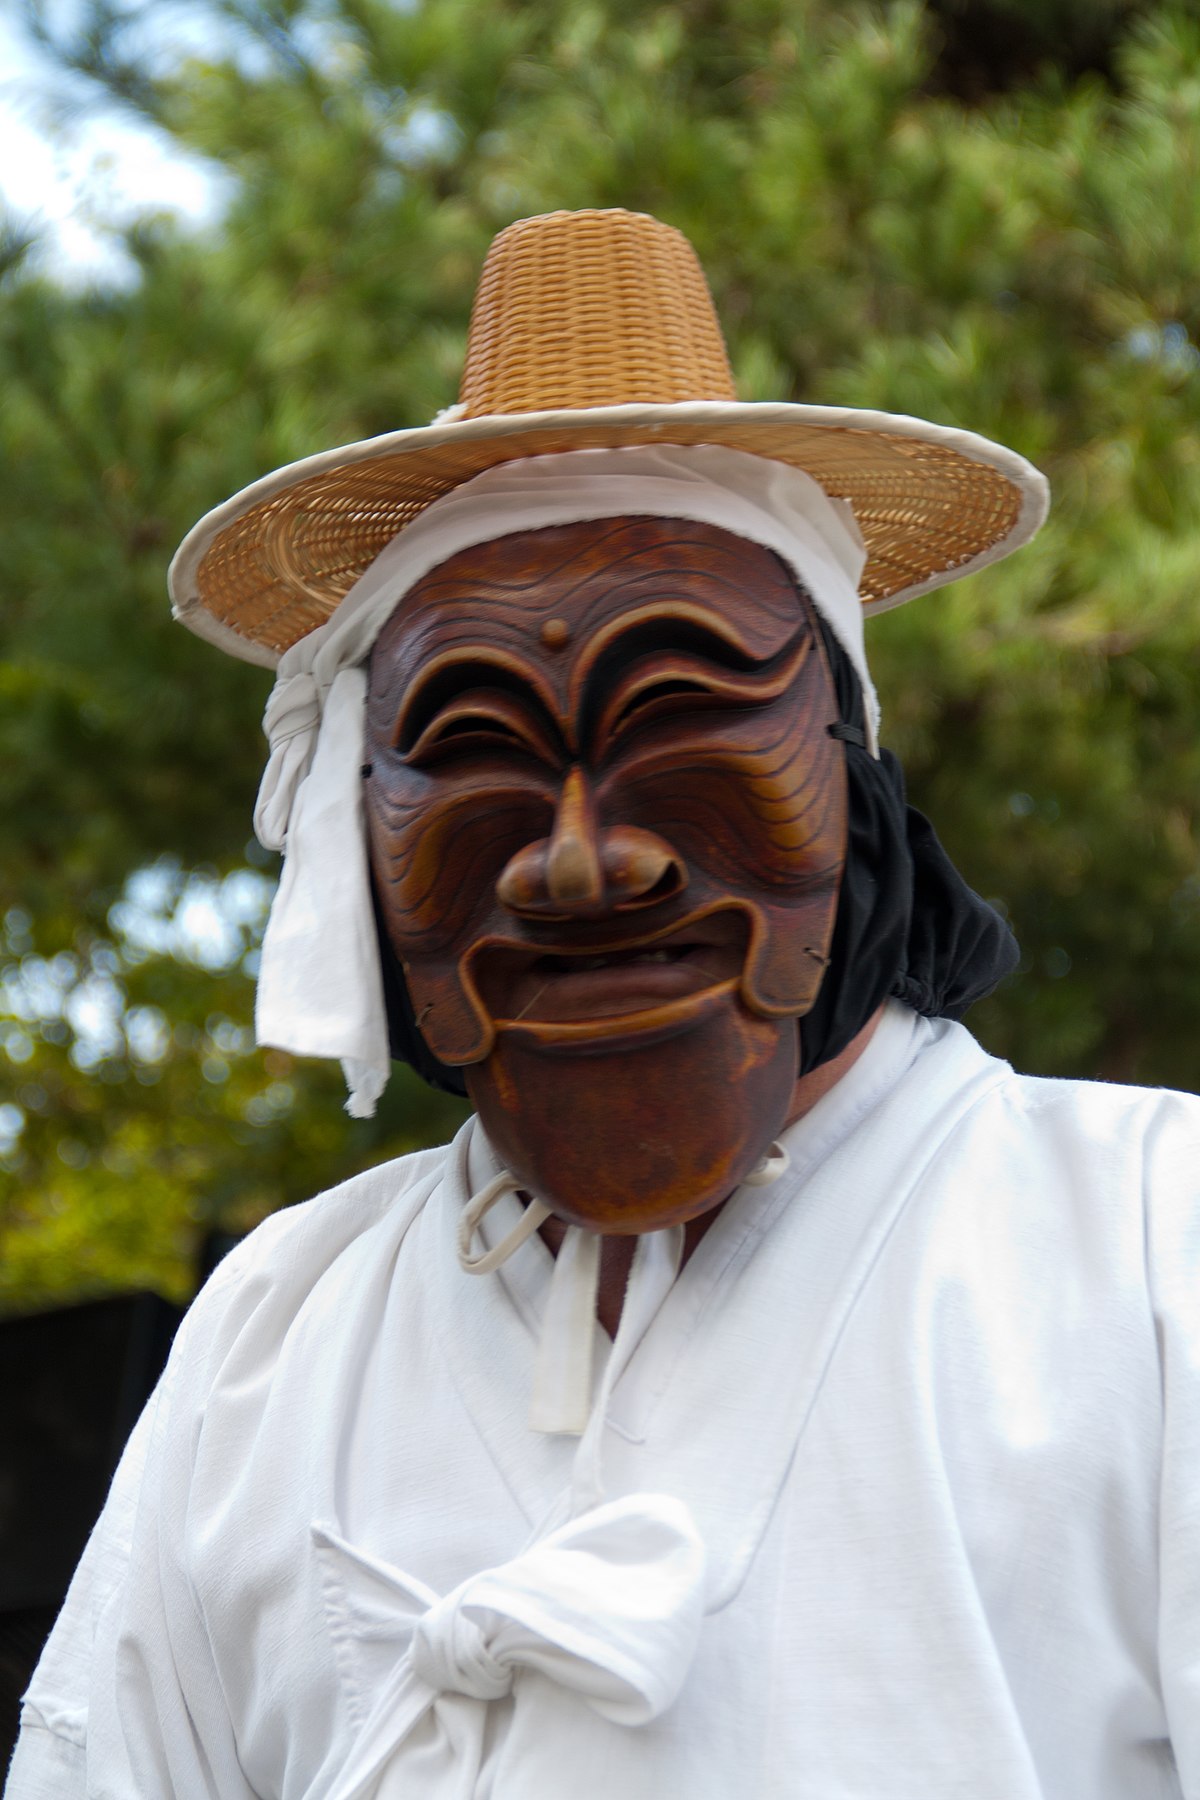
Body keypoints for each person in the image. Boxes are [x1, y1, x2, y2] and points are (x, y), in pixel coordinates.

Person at [7, 208, 1198, 1799]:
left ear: (851, 776)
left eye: (686, 714)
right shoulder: (279, 1337)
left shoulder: (1150, 1248)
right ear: (360, 832)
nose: (579, 862)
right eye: (476, 742)